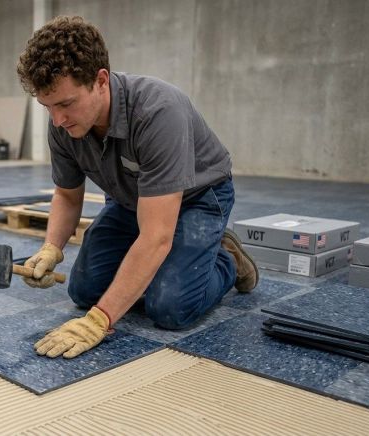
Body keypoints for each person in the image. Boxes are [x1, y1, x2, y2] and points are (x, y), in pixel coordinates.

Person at [16, 16, 258, 359]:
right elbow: (68, 195)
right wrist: (51, 248)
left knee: (170, 307)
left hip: (199, 198)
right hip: (131, 200)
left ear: (100, 80)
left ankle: (225, 260)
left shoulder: (158, 112)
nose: (57, 120)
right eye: (48, 107)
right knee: (84, 290)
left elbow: (157, 234)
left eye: (66, 104)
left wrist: (99, 320)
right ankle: (176, 261)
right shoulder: (63, 125)